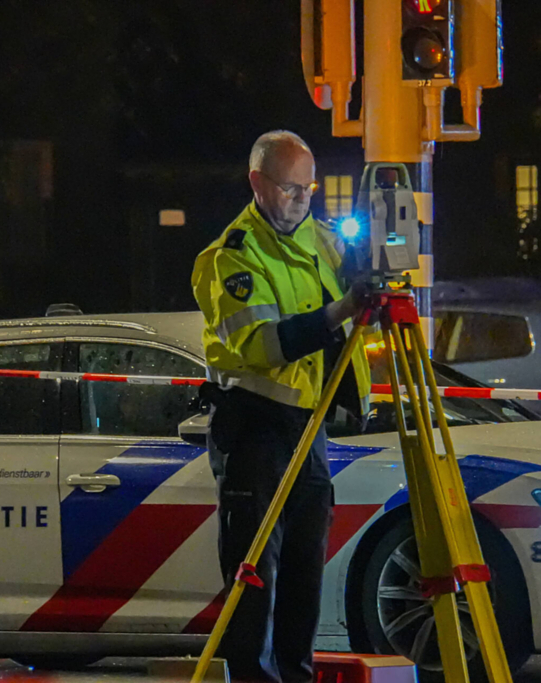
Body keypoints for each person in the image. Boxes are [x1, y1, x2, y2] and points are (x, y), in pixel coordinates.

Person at [192, 130, 372, 683]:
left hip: (308, 428)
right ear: (257, 184)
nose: (301, 199)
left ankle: (295, 673)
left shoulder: (320, 239)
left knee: (302, 571)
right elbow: (265, 346)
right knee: (255, 576)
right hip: (256, 430)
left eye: (309, 188)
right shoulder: (231, 259)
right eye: (291, 189)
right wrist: (340, 310)